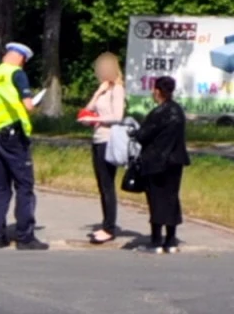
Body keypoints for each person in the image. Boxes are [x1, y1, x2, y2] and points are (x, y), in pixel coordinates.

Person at [0, 42, 48, 251]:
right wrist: (33, 106)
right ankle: (24, 237)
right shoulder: (17, 74)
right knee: (24, 185)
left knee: (0, 188)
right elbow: (27, 105)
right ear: (22, 59)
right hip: (14, 137)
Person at [133, 76, 191, 254]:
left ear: (158, 91)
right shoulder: (178, 111)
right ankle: (171, 240)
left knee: (156, 200)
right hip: (176, 161)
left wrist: (134, 132)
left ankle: (156, 241)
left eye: (154, 89)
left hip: (157, 162)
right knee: (171, 199)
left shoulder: (158, 113)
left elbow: (143, 136)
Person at [81, 52, 126, 244]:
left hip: (109, 140)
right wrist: (97, 93)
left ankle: (109, 227)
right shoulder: (104, 89)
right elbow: (88, 108)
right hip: (97, 139)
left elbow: (117, 116)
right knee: (101, 184)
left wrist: (95, 119)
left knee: (107, 185)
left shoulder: (117, 89)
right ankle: (106, 222)